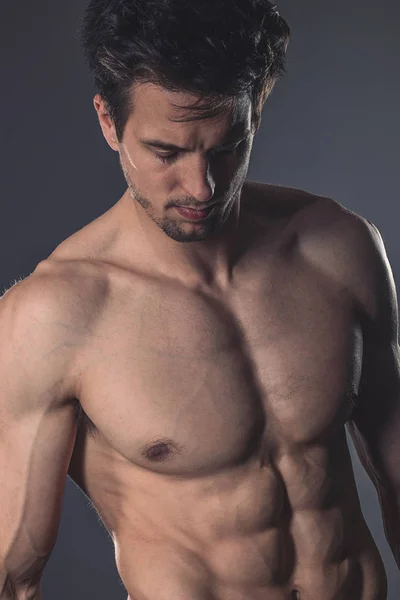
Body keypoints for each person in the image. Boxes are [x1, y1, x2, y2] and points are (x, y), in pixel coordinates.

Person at [0, 0, 399, 598]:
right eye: (166, 153)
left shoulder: (338, 247)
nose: (201, 187)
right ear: (108, 122)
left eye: (225, 147)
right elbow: (13, 569)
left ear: (254, 112)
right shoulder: (55, 316)